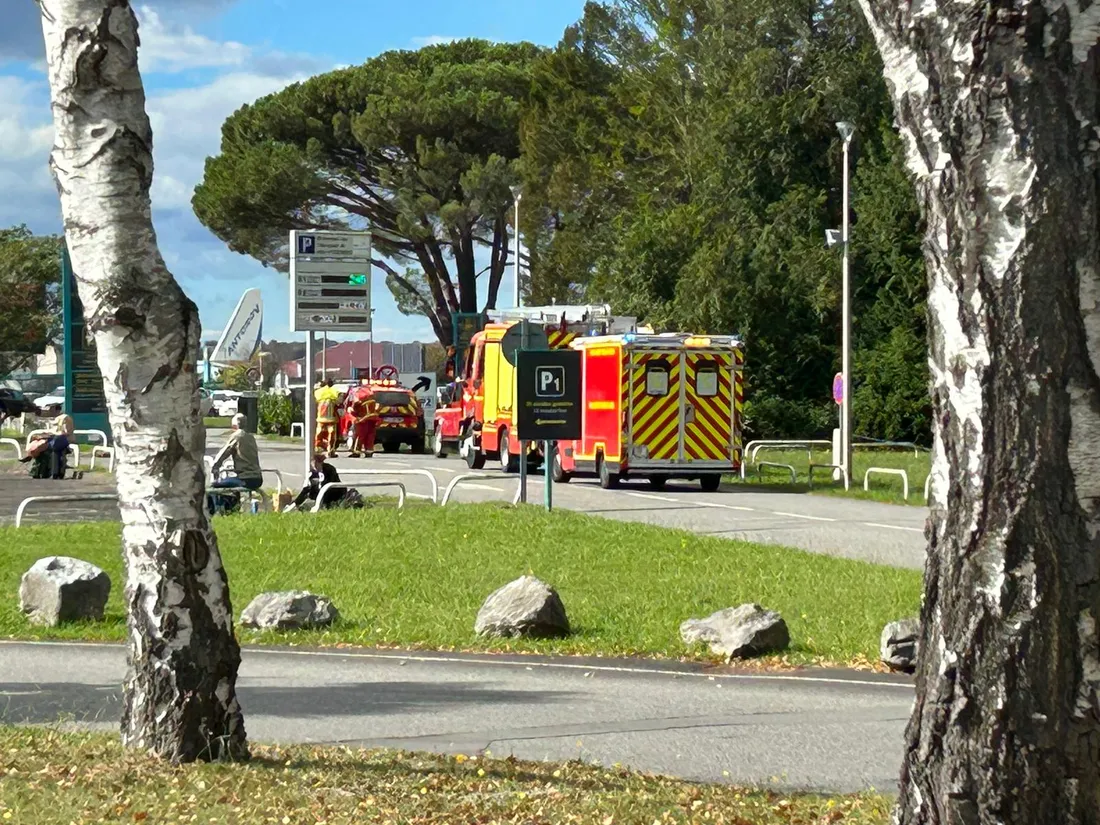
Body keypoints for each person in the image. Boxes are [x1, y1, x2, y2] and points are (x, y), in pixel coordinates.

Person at [207, 413, 263, 513]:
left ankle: (216, 511)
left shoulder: (237, 436)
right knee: (231, 484)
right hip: (257, 478)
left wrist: (215, 466)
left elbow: (224, 452)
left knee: (214, 486)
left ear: (235, 426)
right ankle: (233, 508)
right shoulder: (251, 437)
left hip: (245, 479)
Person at [347, 381, 379, 458]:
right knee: (370, 435)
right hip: (372, 418)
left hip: (362, 419)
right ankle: (369, 451)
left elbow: (355, 408)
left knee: (359, 435)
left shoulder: (358, 395)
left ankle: (357, 451)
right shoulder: (372, 395)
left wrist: (351, 411)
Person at [314, 378, 340, 458]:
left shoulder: (318, 392)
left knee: (319, 434)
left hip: (320, 418)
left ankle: (317, 449)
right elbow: (338, 403)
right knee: (331, 435)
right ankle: (330, 451)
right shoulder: (334, 392)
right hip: (331, 419)